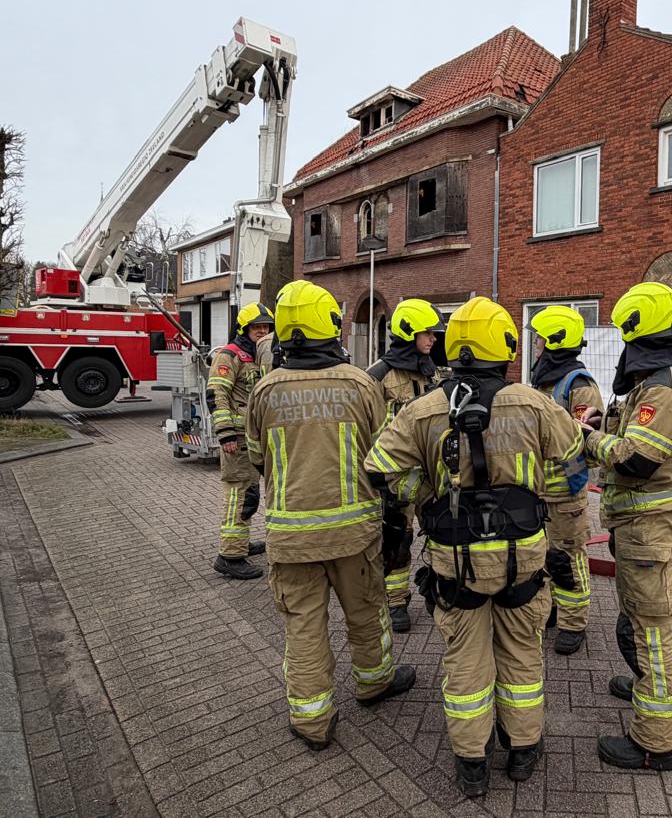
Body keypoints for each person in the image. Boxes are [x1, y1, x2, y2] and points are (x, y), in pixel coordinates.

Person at [364, 297, 587, 797]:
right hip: (523, 562)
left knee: (465, 662)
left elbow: (377, 468)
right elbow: (574, 468)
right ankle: (524, 749)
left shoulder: (423, 410)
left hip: (455, 563)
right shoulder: (534, 404)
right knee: (523, 657)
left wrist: (421, 496)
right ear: (503, 347)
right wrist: (548, 510)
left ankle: (471, 762)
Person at [243, 280, 416, 750]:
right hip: (355, 535)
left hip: (290, 538)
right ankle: (375, 683)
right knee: (366, 613)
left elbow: (258, 457)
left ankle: (311, 721)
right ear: (330, 327)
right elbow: (385, 457)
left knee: (303, 625)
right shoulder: (361, 384)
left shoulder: (265, 391)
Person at [581, 282, 672, 772]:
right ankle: (643, 685)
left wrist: (588, 438)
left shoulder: (667, 387)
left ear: (639, 329)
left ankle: (657, 741)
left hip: (648, 524)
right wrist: (606, 421)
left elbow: (637, 461)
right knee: (638, 616)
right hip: (642, 522)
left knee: (652, 627)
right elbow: (637, 433)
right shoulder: (660, 378)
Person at [527, 305, 605, 656]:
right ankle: (554, 610)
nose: (538, 343)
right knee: (544, 556)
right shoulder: (543, 381)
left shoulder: (580, 385)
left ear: (556, 340)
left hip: (566, 491)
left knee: (568, 556)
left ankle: (574, 623)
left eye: (542, 337)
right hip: (539, 489)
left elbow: (587, 440)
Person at [366, 298, 443, 633]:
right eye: (427, 333)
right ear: (408, 332)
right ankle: (396, 602)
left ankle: (436, 588)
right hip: (394, 477)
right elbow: (363, 425)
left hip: (431, 474)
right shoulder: (377, 376)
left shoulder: (432, 372)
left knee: (441, 533)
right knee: (396, 540)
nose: (434, 339)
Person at [208, 303, 276, 580]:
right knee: (240, 495)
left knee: (251, 494)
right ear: (244, 329)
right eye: (256, 327)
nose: (262, 332)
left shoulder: (260, 355)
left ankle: (240, 544)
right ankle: (229, 556)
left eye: (266, 327)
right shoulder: (230, 356)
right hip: (235, 440)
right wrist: (225, 434)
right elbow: (217, 395)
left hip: (252, 440)